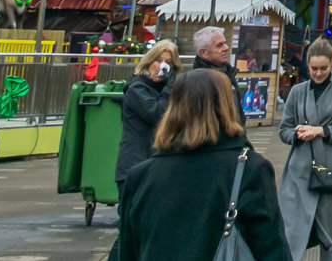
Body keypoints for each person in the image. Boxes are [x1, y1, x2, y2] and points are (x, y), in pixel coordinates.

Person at [119, 67, 292, 261]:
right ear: (227, 106)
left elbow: (126, 251)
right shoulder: (250, 169)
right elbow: (272, 250)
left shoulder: (140, 176)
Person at [279, 38, 332, 260]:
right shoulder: (298, 92)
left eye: (323, 69)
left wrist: (321, 131)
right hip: (299, 170)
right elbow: (284, 130)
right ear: (307, 66)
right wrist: (298, 134)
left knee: (330, 233)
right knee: (292, 230)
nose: (318, 74)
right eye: (314, 69)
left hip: (331, 168)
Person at [117, 40, 178, 199]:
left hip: (157, 166)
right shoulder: (137, 89)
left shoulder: (165, 91)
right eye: (158, 61)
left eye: (168, 63)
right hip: (135, 166)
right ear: (149, 62)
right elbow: (158, 115)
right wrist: (170, 87)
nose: (162, 67)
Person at [194, 24, 249, 123]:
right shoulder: (197, 82)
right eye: (219, 45)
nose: (226, 48)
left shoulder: (228, 73)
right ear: (204, 52)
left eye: (225, 43)